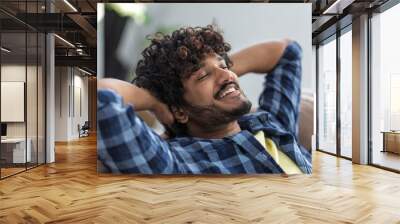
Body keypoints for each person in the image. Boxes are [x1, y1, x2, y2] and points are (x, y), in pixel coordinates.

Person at [97, 25, 312, 174]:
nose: (228, 75)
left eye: (224, 66)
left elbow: (288, 51)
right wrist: (154, 100)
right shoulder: (177, 162)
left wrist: (220, 72)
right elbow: (101, 98)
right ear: (180, 111)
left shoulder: (271, 122)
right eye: (202, 76)